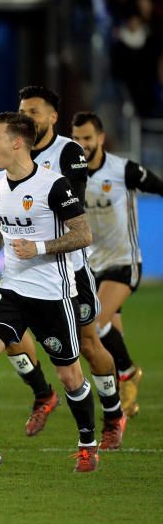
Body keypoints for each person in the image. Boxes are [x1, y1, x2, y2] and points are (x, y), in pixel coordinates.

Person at [0, 112, 99, 473]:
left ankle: (88, 442)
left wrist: (41, 248)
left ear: (17, 142)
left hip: (52, 295)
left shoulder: (54, 185)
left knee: (70, 378)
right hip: (12, 289)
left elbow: (83, 234)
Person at [10, 86, 123, 448]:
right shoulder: (13, 150)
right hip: (25, 270)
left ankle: (113, 413)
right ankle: (43, 394)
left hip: (68, 268)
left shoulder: (69, 152)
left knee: (90, 346)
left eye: (35, 111)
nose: (27, 116)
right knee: (8, 336)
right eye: (22, 110)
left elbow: (68, 205)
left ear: (53, 117)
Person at [73, 111, 162, 422]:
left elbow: (159, 186)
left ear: (100, 139)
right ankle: (126, 399)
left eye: (87, 138)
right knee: (104, 335)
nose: (82, 144)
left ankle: (127, 373)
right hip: (92, 264)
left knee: (94, 325)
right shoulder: (72, 176)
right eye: (77, 139)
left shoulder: (122, 170)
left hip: (124, 262)